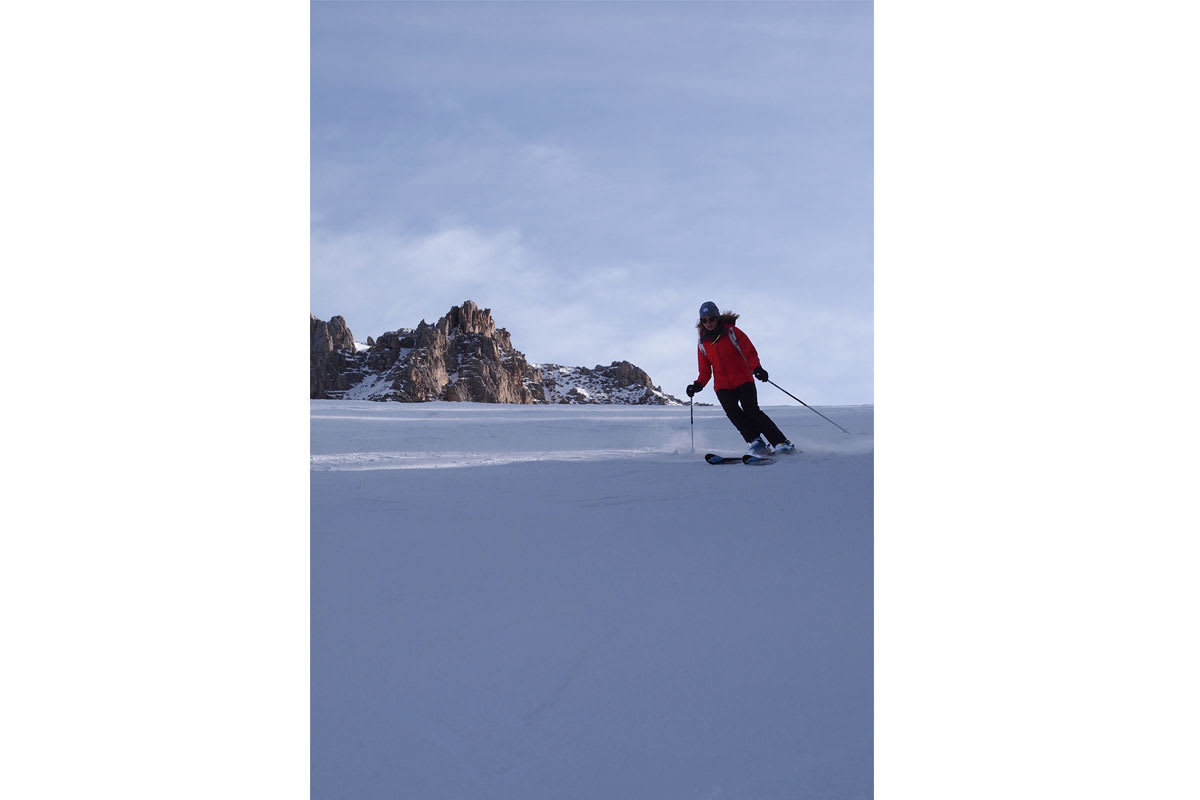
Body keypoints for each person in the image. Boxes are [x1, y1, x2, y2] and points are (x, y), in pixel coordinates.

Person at [686, 301, 796, 456]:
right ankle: (756, 442)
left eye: (711, 319)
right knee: (733, 413)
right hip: (722, 386)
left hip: (743, 379)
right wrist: (697, 385)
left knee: (752, 411)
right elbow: (705, 372)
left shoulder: (732, 332)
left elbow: (750, 352)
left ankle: (781, 443)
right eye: (704, 320)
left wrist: (757, 368)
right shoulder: (703, 343)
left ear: (717, 317)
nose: (708, 323)